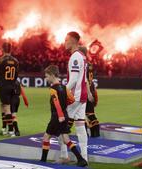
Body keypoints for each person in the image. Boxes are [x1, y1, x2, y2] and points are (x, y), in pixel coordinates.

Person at [40, 65, 87, 167]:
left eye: (47, 76)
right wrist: (64, 106)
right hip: (65, 115)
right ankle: (81, 159)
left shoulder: (53, 89)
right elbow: (72, 99)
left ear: (52, 75)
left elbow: (56, 102)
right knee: (66, 139)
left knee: (46, 137)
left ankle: (42, 162)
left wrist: (60, 115)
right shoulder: (64, 87)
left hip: (57, 116)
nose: (46, 78)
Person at [58, 32, 88, 163]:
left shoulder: (75, 57)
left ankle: (64, 156)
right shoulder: (82, 56)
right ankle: (85, 158)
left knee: (61, 125)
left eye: (66, 40)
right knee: (80, 127)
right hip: (82, 97)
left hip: (74, 97)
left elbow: (74, 80)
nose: (64, 42)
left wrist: (61, 92)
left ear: (73, 41)